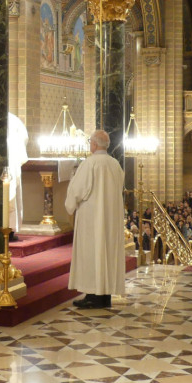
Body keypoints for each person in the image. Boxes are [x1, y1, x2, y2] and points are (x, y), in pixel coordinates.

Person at [66, 130, 125, 310]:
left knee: (92, 253)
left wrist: (70, 204)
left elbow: (77, 190)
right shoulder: (115, 164)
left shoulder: (90, 163)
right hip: (110, 219)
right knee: (106, 254)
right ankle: (105, 296)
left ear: (94, 144)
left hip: (92, 218)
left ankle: (93, 296)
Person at [7, 112, 29, 240]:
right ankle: (9, 230)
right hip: (11, 160)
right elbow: (24, 138)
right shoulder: (13, 119)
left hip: (1, 163)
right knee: (10, 195)